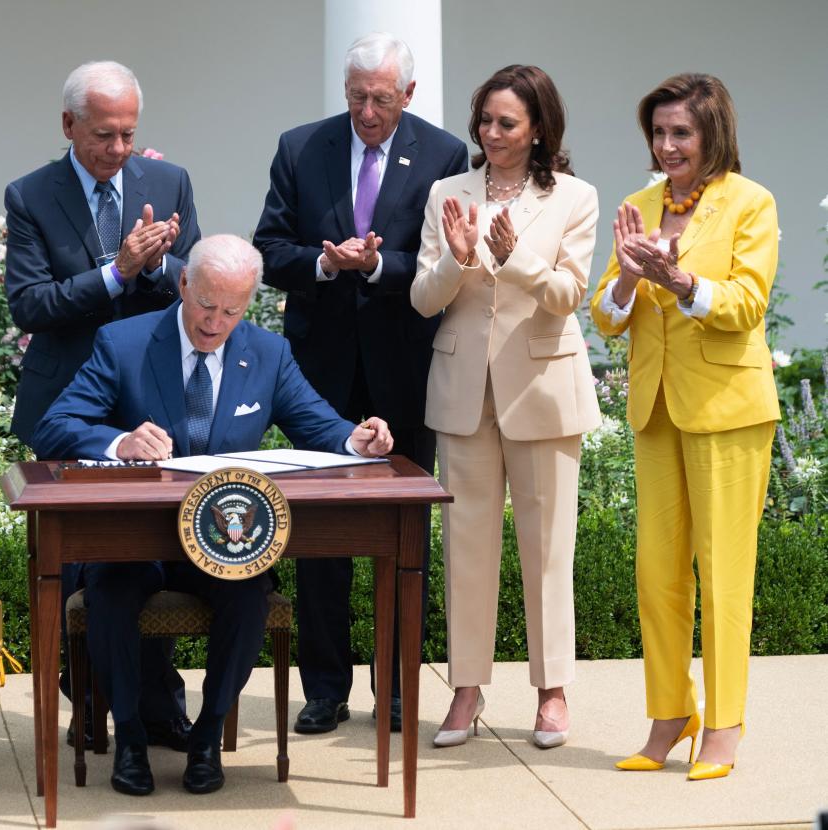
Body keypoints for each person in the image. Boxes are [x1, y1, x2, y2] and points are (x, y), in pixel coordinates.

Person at [32, 234, 393, 795]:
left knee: (250, 595)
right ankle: (128, 736)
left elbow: (319, 425)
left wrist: (358, 439)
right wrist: (120, 440)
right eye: (205, 304)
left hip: (222, 537)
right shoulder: (124, 343)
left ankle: (205, 739)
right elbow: (53, 427)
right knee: (111, 590)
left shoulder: (267, 353)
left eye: (231, 310)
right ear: (182, 285)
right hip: (136, 538)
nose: (214, 322)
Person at [253, 31, 468, 734]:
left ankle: (398, 689)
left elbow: (441, 265)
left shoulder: (441, 154)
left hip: (403, 367)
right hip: (319, 372)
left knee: (402, 534)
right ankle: (324, 688)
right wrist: (324, 263)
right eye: (355, 97)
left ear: (407, 95)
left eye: (380, 98)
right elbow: (270, 248)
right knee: (317, 533)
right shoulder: (301, 147)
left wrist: (376, 267)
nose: (367, 112)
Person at [3, 60, 201, 751]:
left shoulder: (166, 181)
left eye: (128, 136)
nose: (118, 151)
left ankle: (157, 707)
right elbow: (30, 304)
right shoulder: (31, 195)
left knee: (155, 550)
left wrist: (162, 265)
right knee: (84, 565)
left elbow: (194, 284)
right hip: (68, 405)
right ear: (69, 126)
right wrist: (116, 272)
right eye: (104, 137)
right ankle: (91, 702)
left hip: (146, 400)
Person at [589, 73, 779, 780]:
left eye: (681, 134)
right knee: (656, 574)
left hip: (728, 409)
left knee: (723, 573)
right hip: (656, 408)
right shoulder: (638, 205)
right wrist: (634, 277)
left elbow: (746, 304)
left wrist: (682, 284)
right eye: (658, 133)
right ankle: (670, 715)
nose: (667, 146)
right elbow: (606, 316)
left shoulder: (749, 202)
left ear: (712, 135)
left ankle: (723, 727)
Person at [410, 65, 600, 749]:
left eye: (507, 123)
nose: (491, 133)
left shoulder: (575, 198)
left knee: (549, 549)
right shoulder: (446, 194)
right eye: (485, 120)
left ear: (539, 129)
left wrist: (514, 258)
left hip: (544, 391)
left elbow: (567, 296)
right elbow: (423, 300)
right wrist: (458, 261)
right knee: (465, 547)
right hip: (464, 392)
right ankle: (466, 688)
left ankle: (552, 692)